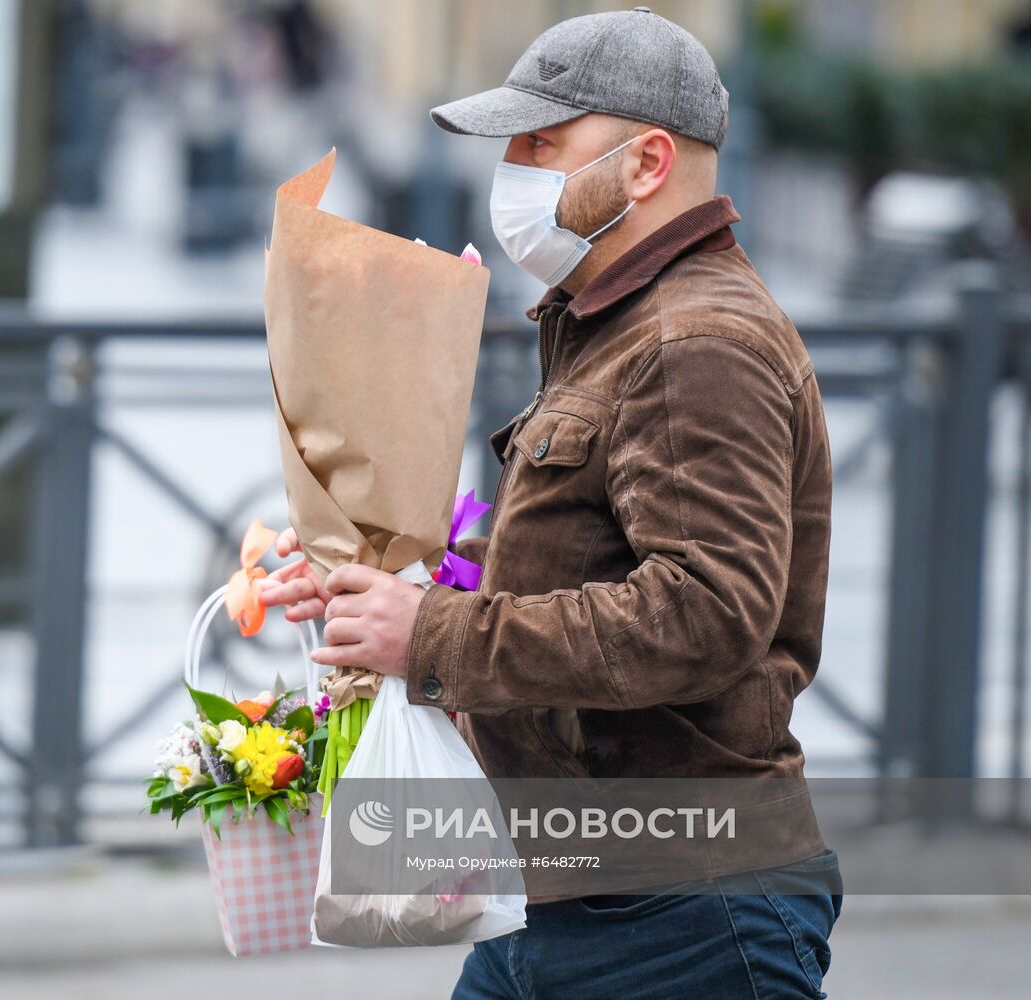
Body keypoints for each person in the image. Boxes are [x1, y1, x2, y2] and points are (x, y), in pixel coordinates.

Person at [261, 8, 842, 997]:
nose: (515, 168)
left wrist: (436, 634)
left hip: (689, 916)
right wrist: (395, 588)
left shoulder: (694, 339)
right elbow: (593, 562)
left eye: (543, 142)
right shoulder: (617, 322)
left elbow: (706, 611)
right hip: (567, 889)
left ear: (648, 163)